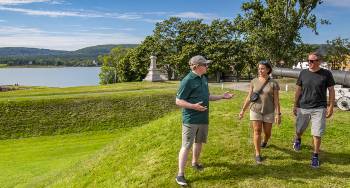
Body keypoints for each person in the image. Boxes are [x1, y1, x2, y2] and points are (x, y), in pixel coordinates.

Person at [175, 55, 233, 186]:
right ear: (197, 67)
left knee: (199, 141)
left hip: (203, 118)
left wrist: (222, 97)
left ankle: (195, 162)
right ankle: (180, 175)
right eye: (205, 64)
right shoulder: (187, 80)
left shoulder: (203, 78)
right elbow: (178, 101)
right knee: (186, 145)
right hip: (190, 119)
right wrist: (193, 106)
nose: (207, 66)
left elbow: (207, 97)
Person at [292, 52, 335, 168]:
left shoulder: (326, 74)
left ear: (319, 61)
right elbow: (298, 90)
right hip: (303, 106)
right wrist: (295, 105)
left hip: (319, 108)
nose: (309, 63)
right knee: (299, 129)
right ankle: (298, 138)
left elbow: (331, 90)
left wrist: (331, 106)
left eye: (312, 61)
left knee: (317, 133)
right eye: (308, 61)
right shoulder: (303, 73)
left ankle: (315, 156)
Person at [239, 60, 281, 164]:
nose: (260, 70)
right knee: (257, 131)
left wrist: (278, 113)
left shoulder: (273, 83)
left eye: (262, 68)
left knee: (267, 132)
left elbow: (276, 100)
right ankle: (258, 153)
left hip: (269, 111)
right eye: (259, 68)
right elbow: (249, 96)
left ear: (268, 70)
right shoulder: (254, 81)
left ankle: (265, 141)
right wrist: (242, 110)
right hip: (255, 109)